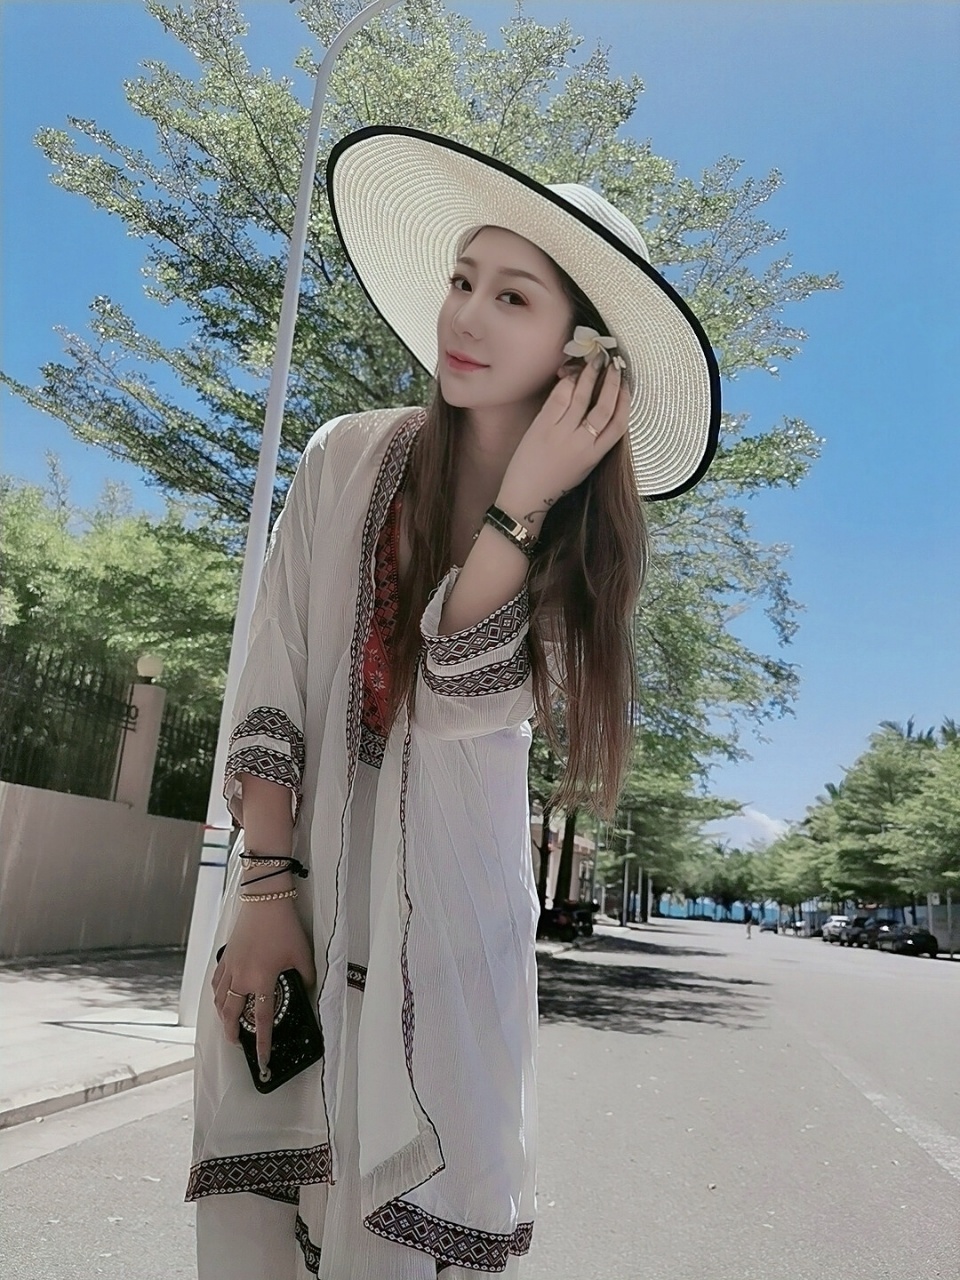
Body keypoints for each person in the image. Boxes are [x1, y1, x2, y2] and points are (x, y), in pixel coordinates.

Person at [186, 126, 719, 1278]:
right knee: (254, 1232)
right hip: (294, 907)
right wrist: (264, 888)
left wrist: (522, 504)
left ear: (584, 359)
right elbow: (271, 675)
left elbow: (454, 698)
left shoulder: (579, 552)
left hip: (449, 964)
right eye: (463, 279)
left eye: (512, 296)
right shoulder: (343, 457)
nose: (465, 315)